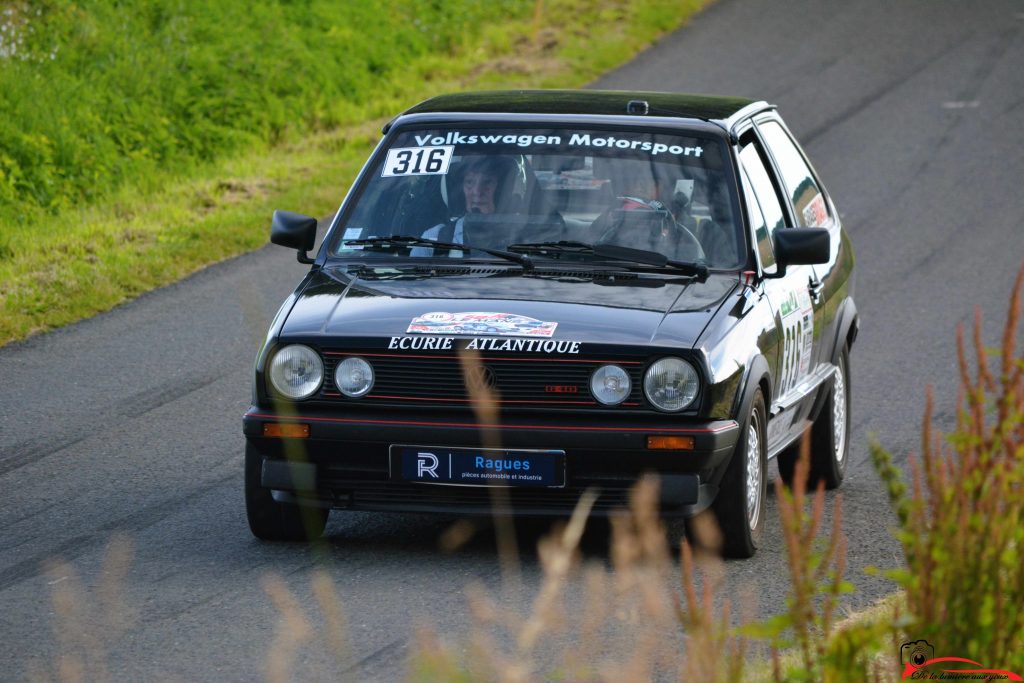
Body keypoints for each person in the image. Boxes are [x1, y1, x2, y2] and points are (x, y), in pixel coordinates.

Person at [412, 156, 518, 256]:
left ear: (502, 189)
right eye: (469, 182)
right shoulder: (433, 239)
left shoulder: (523, 239)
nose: (477, 191)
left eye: (487, 182)